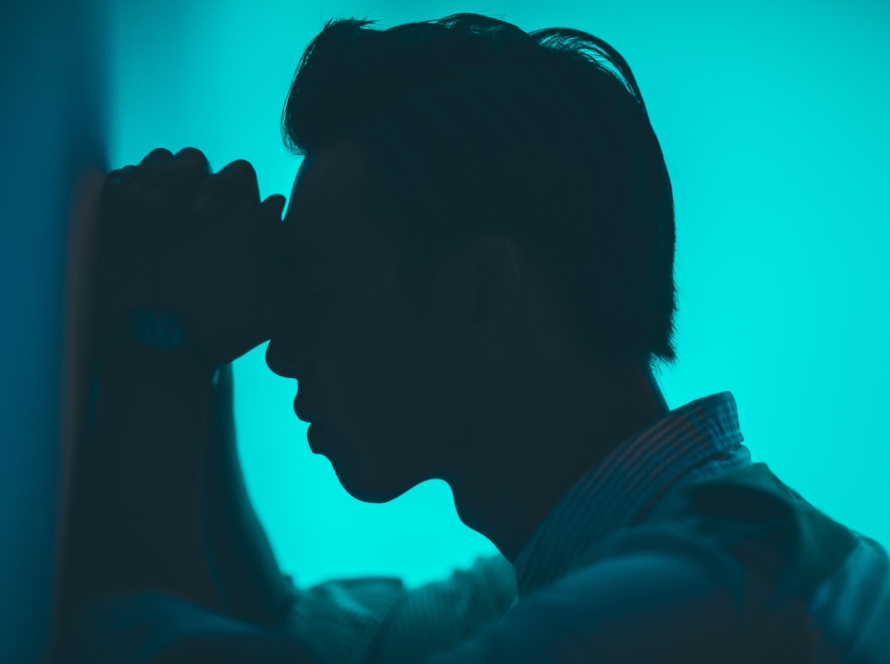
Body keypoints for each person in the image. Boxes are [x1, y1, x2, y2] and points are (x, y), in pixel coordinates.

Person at [60, 13, 890, 664]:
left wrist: (159, 339)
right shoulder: (627, 561)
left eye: (315, 291)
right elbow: (292, 631)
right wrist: (199, 336)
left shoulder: (698, 603)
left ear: (485, 295)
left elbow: (137, 647)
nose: (281, 347)